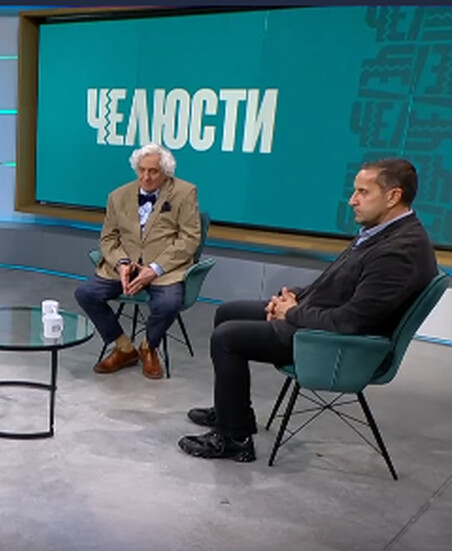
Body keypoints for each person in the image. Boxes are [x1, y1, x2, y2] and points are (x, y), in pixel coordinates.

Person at [178, 158, 439, 462]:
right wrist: (294, 297)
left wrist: (291, 313)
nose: (352, 200)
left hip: (339, 347)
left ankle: (234, 438)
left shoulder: (399, 251)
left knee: (227, 337)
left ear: (393, 196)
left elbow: (351, 322)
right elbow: (338, 285)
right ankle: (231, 411)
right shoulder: (381, 231)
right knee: (228, 311)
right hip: (324, 325)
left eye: (363, 192)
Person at [74, 143, 202, 379]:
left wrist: (155, 269)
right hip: (126, 267)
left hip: (164, 269)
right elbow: (108, 238)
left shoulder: (185, 192)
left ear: (166, 172)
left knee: (168, 304)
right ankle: (124, 348)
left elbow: (189, 239)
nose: (146, 177)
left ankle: (148, 347)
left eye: (153, 171)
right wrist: (121, 263)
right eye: (141, 170)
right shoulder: (118, 196)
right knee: (86, 294)